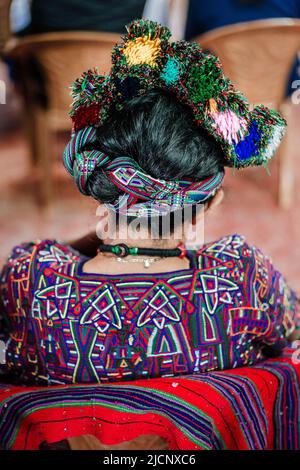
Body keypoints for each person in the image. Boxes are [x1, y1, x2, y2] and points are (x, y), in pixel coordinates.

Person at [0, 19, 299, 386]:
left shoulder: (33, 280)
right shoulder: (243, 278)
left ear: (101, 185)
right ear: (212, 201)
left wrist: (96, 240)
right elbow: (291, 335)